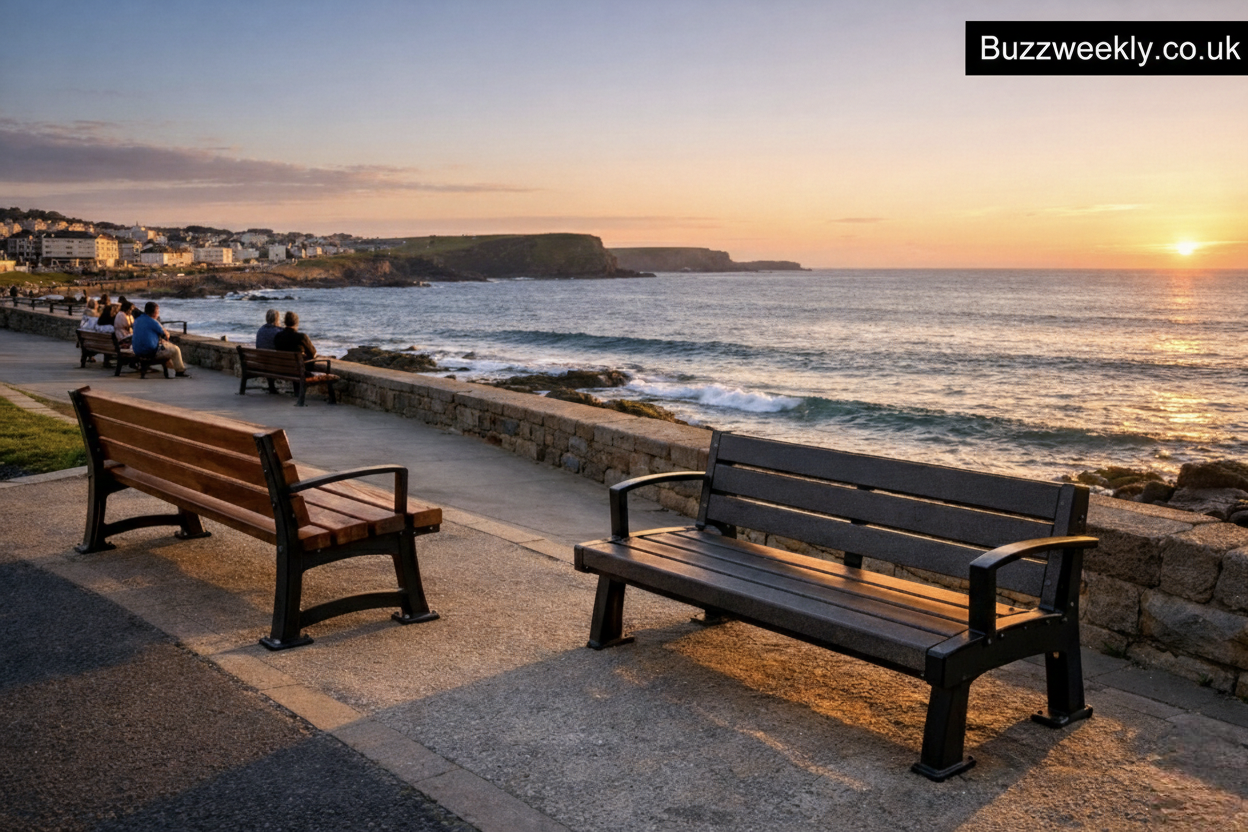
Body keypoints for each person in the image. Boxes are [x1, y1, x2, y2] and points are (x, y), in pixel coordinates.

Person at [131, 301, 191, 378]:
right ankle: (180, 371)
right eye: (158, 311)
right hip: (150, 352)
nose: (158, 313)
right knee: (175, 349)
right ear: (155, 312)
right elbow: (166, 335)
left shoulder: (138, 319)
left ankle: (175, 366)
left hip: (137, 350)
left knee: (166, 347)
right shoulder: (153, 321)